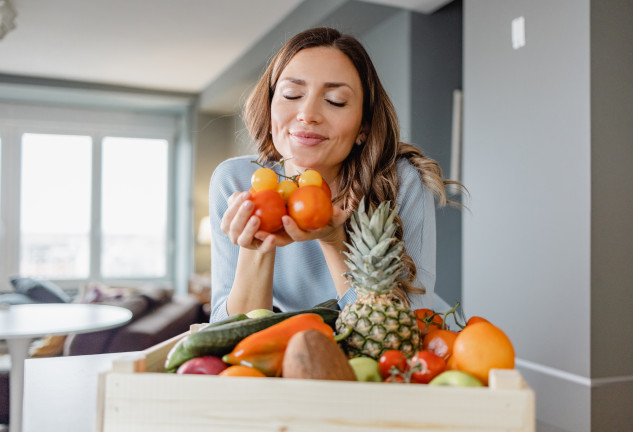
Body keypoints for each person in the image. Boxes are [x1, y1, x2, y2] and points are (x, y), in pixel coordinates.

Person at [209, 27, 461, 323]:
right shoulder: (235, 181)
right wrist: (258, 244)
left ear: (363, 127)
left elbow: (408, 324)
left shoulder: (399, 181)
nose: (307, 113)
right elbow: (227, 334)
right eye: (291, 94)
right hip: (311, 351)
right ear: (270, 103)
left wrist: (333, 240)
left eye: (336, 101)